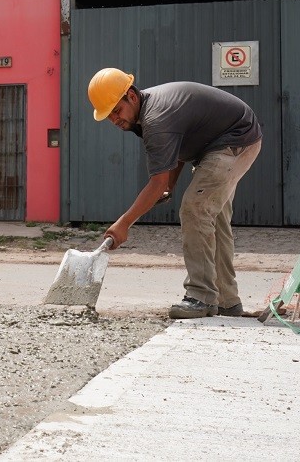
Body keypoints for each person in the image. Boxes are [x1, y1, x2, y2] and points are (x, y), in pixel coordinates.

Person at [88, 68, 262, 319]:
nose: (115, 119)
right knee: (215, 219)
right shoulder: (146, 114)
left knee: (195, 208)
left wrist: (123, 223)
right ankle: (227, 301)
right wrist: (171, 184)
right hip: (228, 141)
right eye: (108, 116)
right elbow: (178, 150)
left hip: (235, 139)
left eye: (117, 110)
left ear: (132, 96)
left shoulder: (156, 118)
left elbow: (157, 182)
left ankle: (200, 297)